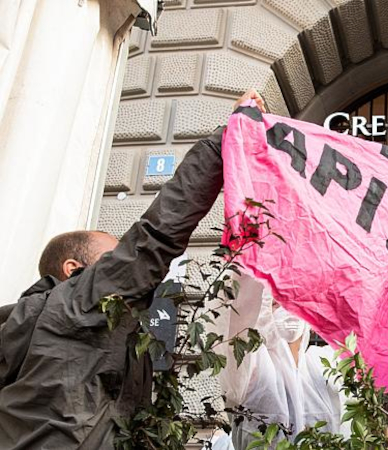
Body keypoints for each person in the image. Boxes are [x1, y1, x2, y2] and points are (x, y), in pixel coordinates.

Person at [0, 90, 267, 450]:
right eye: (109, 259)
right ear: (73, 269)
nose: (120, 265)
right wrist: (225, 139)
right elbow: (154, 238)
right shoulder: (76, 305)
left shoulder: (25, 330)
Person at [214, 276, 350, 450]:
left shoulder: (324, 364)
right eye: (277, 303)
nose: (288, 310)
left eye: (295, 303)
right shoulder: (254, 364)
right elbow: (240, 312)